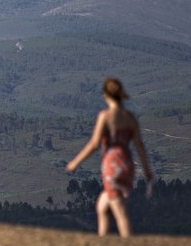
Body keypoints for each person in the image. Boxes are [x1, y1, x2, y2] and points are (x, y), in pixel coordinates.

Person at [66, 77, 155, 237]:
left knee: (119, 210)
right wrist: (147, 170)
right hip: (127, 164)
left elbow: (94, 144)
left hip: (112, 165)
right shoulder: (130, 118)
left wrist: (75, 162)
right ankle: (105, 244)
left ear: (106, 95)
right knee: (102, 206)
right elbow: (139, 146)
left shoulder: (105, 116)